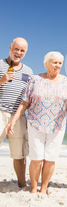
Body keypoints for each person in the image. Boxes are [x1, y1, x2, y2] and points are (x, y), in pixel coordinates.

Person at [5, 51, 67, 194]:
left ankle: (44, 187)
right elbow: (25, 103)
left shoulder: (66, 81)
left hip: (57, 126)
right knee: (36, 158)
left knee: (50, 159)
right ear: (46, 64)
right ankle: (34, 187)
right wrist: (14, 120)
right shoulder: (34, 79)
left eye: (60, 63)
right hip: (36, 124)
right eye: (54, 62)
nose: (57, 65)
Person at [0, 37, 33, 188]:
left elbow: (29, 97)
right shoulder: (0, 64)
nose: (18, 53)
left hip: (18, 117)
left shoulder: (28, 71)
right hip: (0, 112)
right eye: (16, 49)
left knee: (20, 153)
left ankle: (21, 183)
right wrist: (2, 80)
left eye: (22, 50)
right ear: (10, 48)